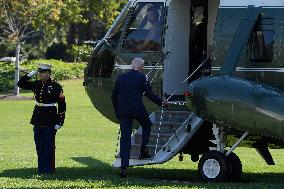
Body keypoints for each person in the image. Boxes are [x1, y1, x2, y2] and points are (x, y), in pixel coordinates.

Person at [111, 58, 167, 178]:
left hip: (123, 111)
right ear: (141, 67)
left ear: (132, 66)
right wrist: (161, 102)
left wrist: (117, 111)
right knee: (147, 124)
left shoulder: (120, 78)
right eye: (143, 67)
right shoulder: (142, 77)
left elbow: (113, 96)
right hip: (137, 109)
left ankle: (124, 167)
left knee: (125, 138)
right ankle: (142, 151)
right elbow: (149, 94)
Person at [17, 64, 66, 174]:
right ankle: (41, 169)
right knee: (39, 144)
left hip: (50, 118)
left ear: (48, 73)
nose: (40, 74)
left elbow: (62, 105)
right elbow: (20, 84)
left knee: (49, 146)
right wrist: (30, 74)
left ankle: (49, 170)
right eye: (39, 72)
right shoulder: (37, 84)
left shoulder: (56, 86)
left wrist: (60, 121)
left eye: (42, 72)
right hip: (38, 118)